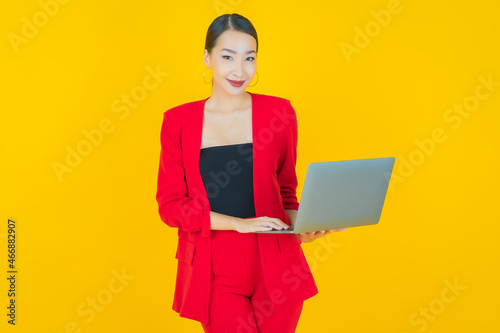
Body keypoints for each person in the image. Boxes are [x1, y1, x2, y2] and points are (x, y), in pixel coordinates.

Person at [156, 13, 346, 332]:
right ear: (207, 58)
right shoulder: (178, 121)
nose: (240, 70)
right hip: (213, 265)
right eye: (227, 56)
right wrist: (238, 225)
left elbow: (285, 190)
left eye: (250, 58)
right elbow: (170, 205)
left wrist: (303, 226)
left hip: (277, 262)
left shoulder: (279, 112)